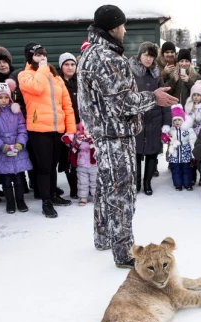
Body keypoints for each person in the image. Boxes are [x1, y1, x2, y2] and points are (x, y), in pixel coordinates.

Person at [77, 5, 178, 268]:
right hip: (115, 136)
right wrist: (153, 98)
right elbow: (121, 102)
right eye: (122, 25)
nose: (125, 30)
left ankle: (103, 237)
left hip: (104, 134)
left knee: (105, 189)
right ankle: (124, 253)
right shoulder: (107, 58)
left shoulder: (89, 54)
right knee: (121, 193)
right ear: (112, 27)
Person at [19, 43, 76, 217]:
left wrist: (71, 129)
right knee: (43, 167)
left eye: (43, 54)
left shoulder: (55, 77)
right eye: (37, 55)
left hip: (57, 129)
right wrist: (43, 68)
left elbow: (67, 104)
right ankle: (45, 201)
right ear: (30, 57)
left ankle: (52, 194)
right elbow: (36, 87)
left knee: (53, 165)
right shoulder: (25, 75)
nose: (42, 58)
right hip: (38, 129)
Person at [0, 79, 31, 214]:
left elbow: (22, 128)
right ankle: (10, 202)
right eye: (0, 97)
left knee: (19, 177)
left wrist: (20, 144)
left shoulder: (16, 112)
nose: (4, 100)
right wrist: (2, 146)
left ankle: (20, 201)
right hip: (1, 152)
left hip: (17, 150)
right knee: (6, 179)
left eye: (6, 97)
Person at [129, 42, 171, 195]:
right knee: (136, 152)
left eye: (152, 56)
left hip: (154, 118)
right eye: (146, 55)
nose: (148, 59)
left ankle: (147, 183)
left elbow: (164, 97)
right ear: (140, 55)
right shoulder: (130, 72)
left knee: (152, 152)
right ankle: (136, 182)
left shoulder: (156, 74)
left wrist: (167, 122)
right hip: (136, 118)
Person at [58, 52, 81, 199]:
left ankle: (82, 185)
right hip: (65, 126)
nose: (70, 67)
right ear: (61, 66)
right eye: (67, 64)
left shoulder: (79, 81)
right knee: (69, 158)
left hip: (80, 125)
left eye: (72, 64)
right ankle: (73, 188)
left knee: (81, 156)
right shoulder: (58, 82)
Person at [167, 104, 196, 191]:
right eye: (175, 120)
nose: (177, 122)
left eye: (179, 119)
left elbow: (192, 140)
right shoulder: (171, 130)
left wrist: (193, 152)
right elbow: (166, 139)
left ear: (183, 120)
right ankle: (178, 184)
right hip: (175, 154)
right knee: (175, 170)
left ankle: (187, 184)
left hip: (185, 153)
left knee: (187, 169)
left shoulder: (188, 130)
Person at [66, 123, 97, 206]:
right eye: (84, 129)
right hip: (81, 163)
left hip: (93, 163)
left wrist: (91, 140)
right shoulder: (78, 138)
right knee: (82, 181)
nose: (86, 131)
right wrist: (76, 141)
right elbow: (71, 146)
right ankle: (83, 197)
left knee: (94, 181)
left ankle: (95, 195)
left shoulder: (95, 137)